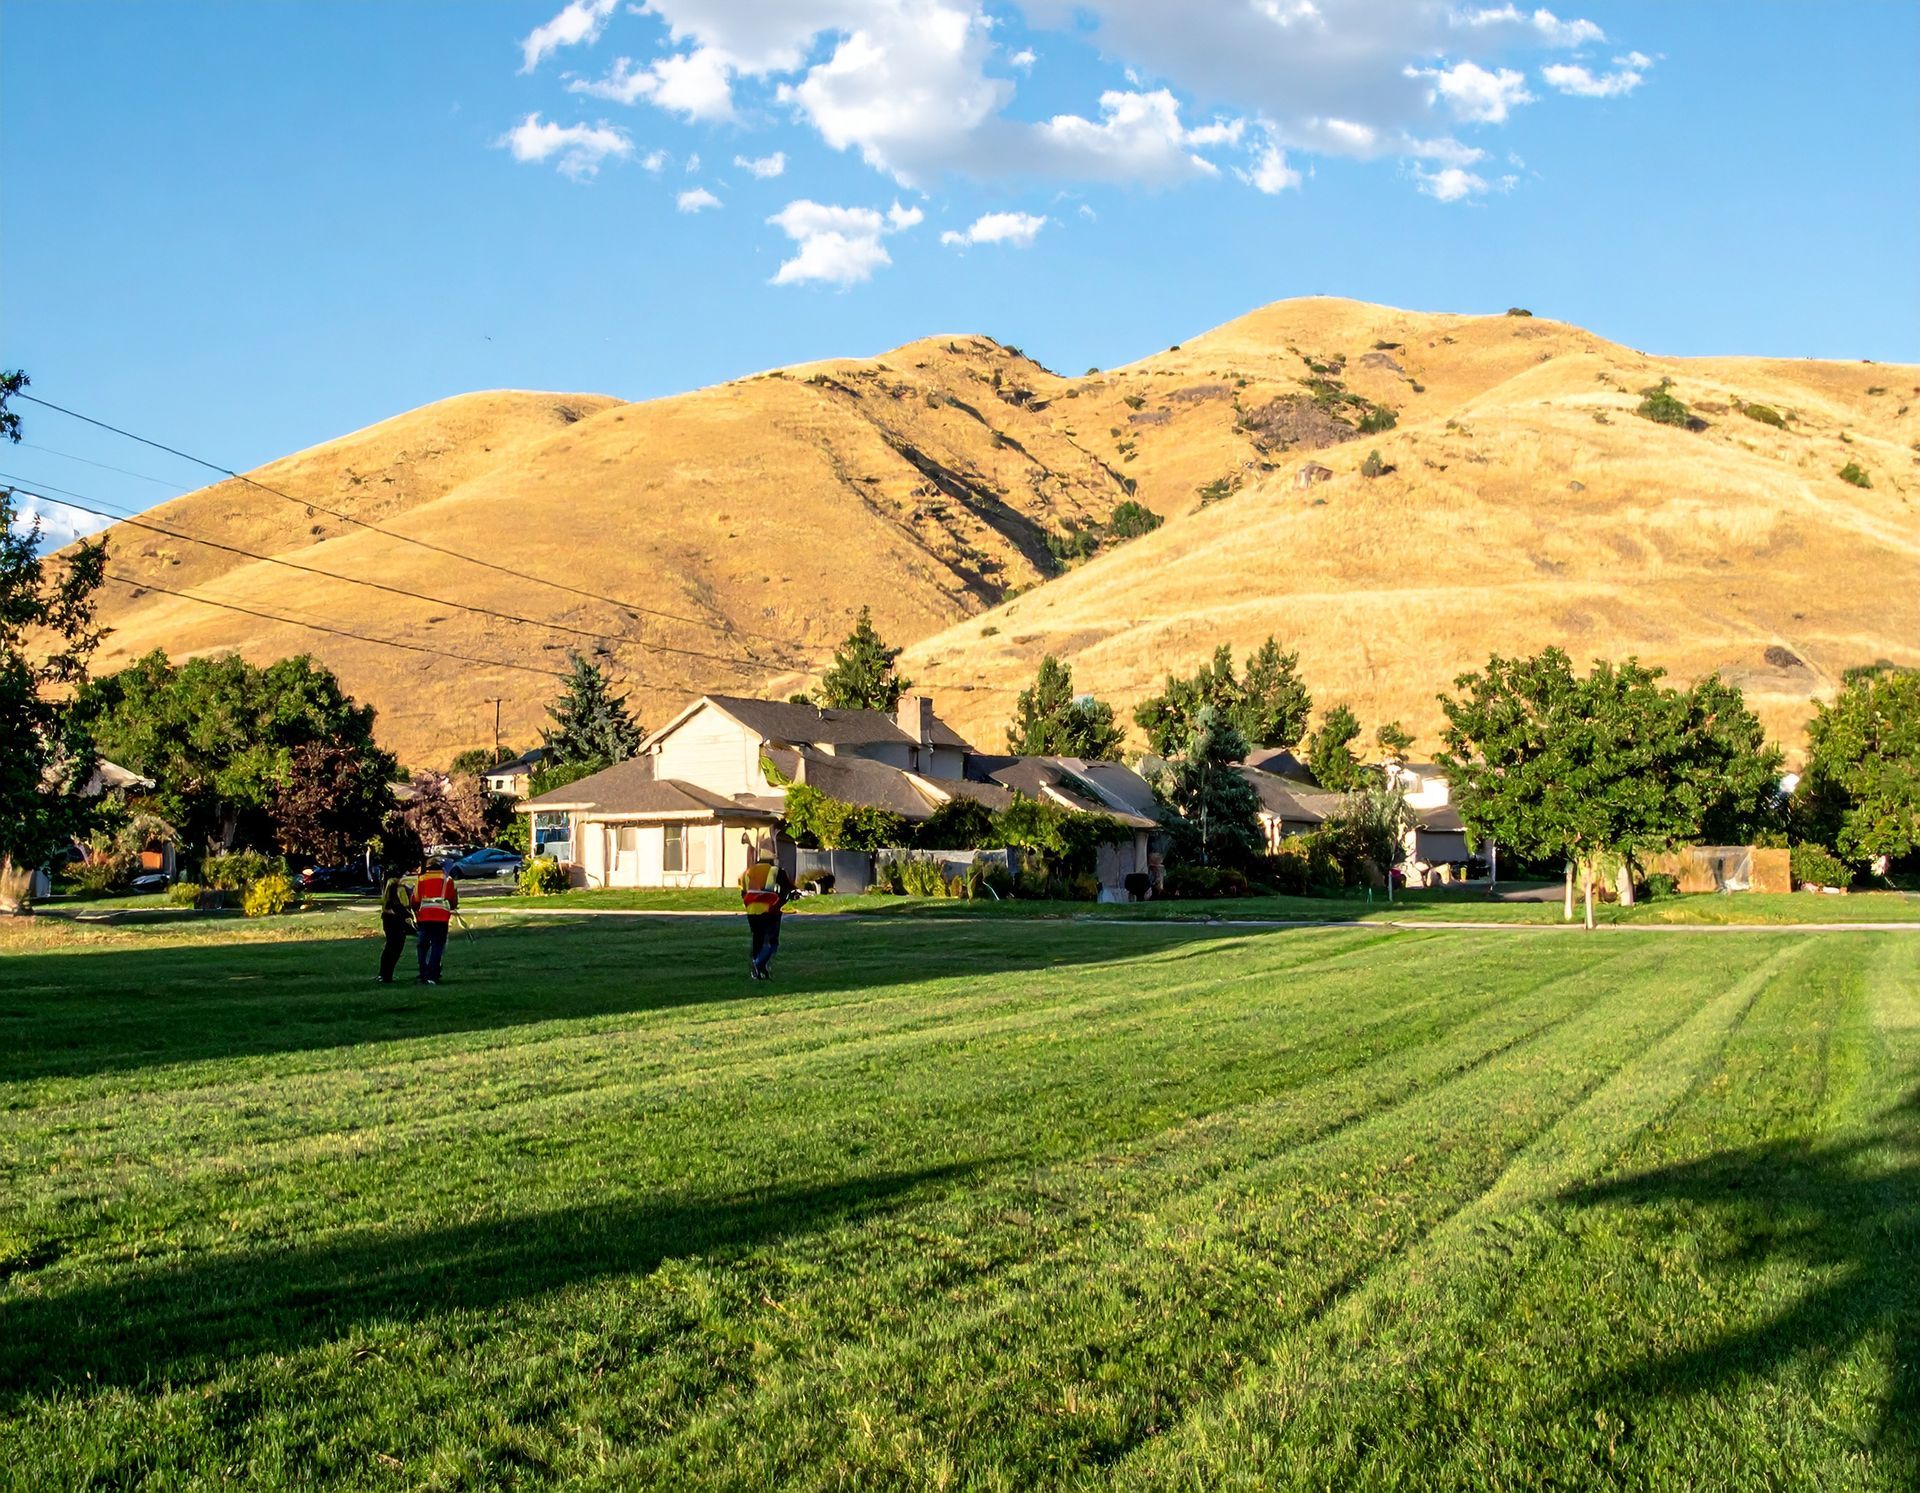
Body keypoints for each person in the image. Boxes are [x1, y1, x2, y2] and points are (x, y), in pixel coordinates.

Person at [738, 842, 794, 981]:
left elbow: (743, 892)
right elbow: (788, 889)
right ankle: (759, 965)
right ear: (772, 859)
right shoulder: (775, 871)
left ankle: (756, 971)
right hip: (770, 910)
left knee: (757, 939)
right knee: (771, 942)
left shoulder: (747, 872)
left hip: (752, 912)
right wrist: (782, 902)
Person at [409, 856, 459, 985]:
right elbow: (452, 899)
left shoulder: (421, 879)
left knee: (423, 946)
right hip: (441, 917)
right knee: (437, 946)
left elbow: (415, 900)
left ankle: (423, 972)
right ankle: (433, 974)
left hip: (424, 916)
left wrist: (415, 912)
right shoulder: (448, 879)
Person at [376, 864, 413, 983]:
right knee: (396, 948)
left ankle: (383, 974)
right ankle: (387, 975)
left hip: (387, 919)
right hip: (397, 920)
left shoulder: (387, 887)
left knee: (389, 947)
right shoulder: (399, 888)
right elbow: (405, 905)